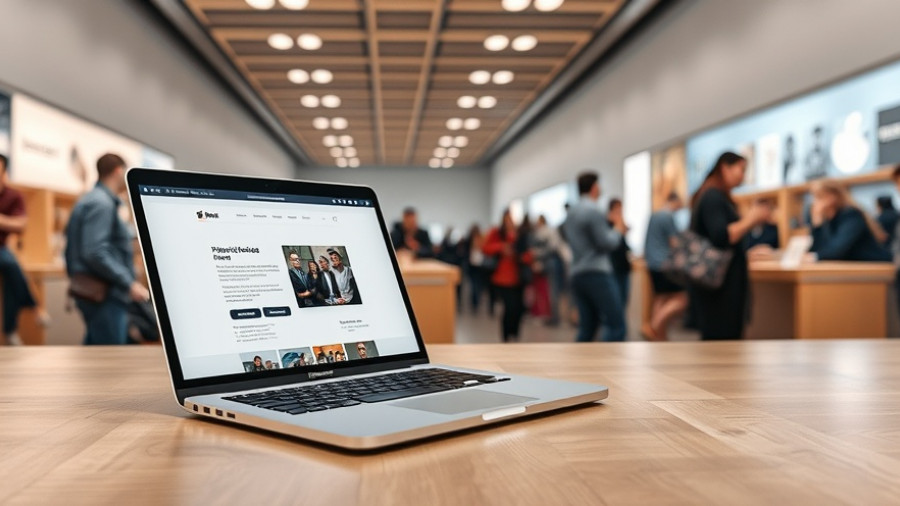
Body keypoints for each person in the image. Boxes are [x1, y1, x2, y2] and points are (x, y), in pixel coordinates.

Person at [65, 153, 150, 345]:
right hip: (105, 294)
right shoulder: (101, 203)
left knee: (96, 353)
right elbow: (95, 251)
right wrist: (128, 282)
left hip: (96, 291)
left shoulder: (92, 200)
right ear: (119, 171)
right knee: (112, 357)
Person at [690, 152, 772, 340]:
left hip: (720, 282)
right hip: (720, 286)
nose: (743, 175)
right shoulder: (712, 196)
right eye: (741, 169)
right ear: (725, 168)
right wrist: (751, 219)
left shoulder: (714, 195)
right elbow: (721, 236)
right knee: (722, 340)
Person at [562, 172, 628, 342]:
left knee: (588, 327)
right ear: (594, 187)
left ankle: (579, 367)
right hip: (596, 272)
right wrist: (618, 230)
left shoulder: (572, 212)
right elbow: (607, 243)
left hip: (577, 272)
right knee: (616, 325)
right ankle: (609, 366)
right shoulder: (594, 210)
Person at [0, 154, 41, 346]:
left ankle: (9, 329)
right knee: (12, 268)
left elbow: (20, 225)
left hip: (1, 249)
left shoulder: (13, 196)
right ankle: (34, 307)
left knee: (11, 268)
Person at [641, 192, 687, 341]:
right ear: (675, 201)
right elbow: (675, 243)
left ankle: (660, 338)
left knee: (660, 298)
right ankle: (654, 326)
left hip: (652, 263)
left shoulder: (654, 215)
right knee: (683, 298)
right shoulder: (668, 217)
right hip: (665, 264)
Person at [809, 180, 890, 262]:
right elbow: (818, 249)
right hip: (853, 267)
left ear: (832, 197)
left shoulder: (851, 215)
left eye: (819, 197)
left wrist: (815, 256)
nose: (815, 203)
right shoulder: (828, 220)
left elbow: (837, 250)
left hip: (874, 265)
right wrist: (817, 224)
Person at [483, 209, 533, 342]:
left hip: (518, 278)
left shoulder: (521, 234)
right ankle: (506, 337)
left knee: (518, 309)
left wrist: (522, 256)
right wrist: (501, 247)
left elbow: (528, 254)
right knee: (509, 308)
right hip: (501, 278)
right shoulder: (497, 233)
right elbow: (485, 248)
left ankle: (515, 335)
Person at [530, 215, 565, 325]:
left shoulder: (546, 232)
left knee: (552, 290)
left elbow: (552, 248)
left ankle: (554, 317)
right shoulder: (548, 232)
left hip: (550, 264)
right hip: (548, 263)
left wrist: (538, 254)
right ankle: (551, 316)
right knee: (549, 291)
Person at [607, 198, 632, 317]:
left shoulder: (620, 225)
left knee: (623, 299)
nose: (620, 211)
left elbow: (623, 245)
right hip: (613, 267)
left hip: (623, 266)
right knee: (615, 300)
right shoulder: (608, 225)